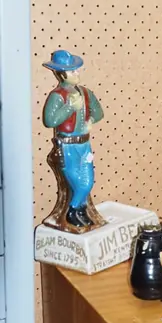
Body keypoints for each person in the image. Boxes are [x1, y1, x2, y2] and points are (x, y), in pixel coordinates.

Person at [42, 50, 104, 230]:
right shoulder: (57, 96)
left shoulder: (85, 93)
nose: (77, 74)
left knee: (88, 180)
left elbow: (98, 112)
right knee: (77, 182)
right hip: (67, 146)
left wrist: (90, 121)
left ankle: (78, 210)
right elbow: (50, 120)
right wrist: (69, 107)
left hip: (84, 144)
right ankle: (73, 211)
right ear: (61, 74)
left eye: (77, 70)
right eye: (72, 71)